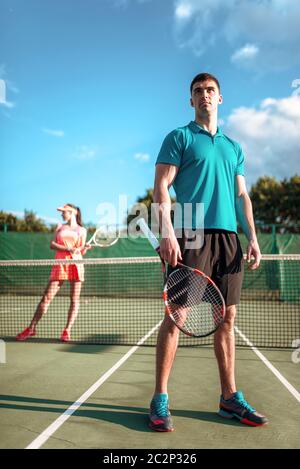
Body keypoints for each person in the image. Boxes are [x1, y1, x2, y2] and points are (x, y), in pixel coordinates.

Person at [149, 72, 268, 431]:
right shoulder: (179, 137)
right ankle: (159, 398)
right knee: (177, 317)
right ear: (191, 100)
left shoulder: (234, 147)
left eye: (210, 90)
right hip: (190, 234)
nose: (204, 95)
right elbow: (160, 186)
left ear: (220, 98)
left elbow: (242, 194)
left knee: (227, 318)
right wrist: (167, 231)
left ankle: (229, 398)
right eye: (198, 91)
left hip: (228, 239)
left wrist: (252, 236)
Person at [16, 204, 89, 342]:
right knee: (46, 298)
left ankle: (67, 330)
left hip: (76, 264)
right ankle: (31, 328)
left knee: (74, 300)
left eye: (64, 212)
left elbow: (80, 250)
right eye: (61, 212)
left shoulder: (82, 230)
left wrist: (85, 248)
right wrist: (68, 249)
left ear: (73, 212)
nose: (62, 214)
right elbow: (52, 244)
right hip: (60, 264)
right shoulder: (59, 227)